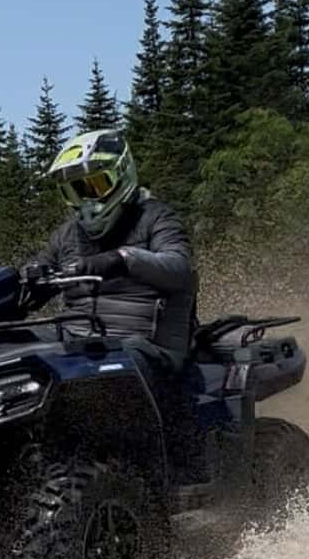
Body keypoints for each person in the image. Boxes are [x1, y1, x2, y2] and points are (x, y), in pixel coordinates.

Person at [26, 128, 203, 478]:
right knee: (19, 358)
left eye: (95, 185)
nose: (86, 200)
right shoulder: (67, 235)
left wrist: (123, 258)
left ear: (121, 175)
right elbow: (34, 279)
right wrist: (12, 285)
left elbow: (179, 267)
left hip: (147, 346)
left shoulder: (155, 217)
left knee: (121, 360)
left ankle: (159, 477)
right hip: (79, 347)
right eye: (74, 190)